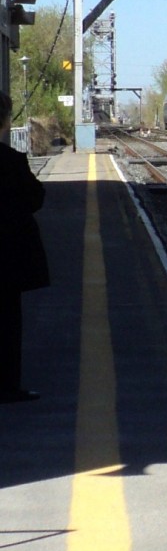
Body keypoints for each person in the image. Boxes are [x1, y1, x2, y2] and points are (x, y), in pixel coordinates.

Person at [0, 89, 49, 403]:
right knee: (7, 323)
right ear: (4, 121)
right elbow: (35, 199)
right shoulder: (11, 161)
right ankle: (7, 387)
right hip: (7, 257)